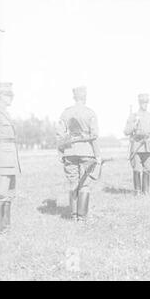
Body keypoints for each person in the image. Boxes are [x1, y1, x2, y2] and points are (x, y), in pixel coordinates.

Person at [56, 86, 101, 221]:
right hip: (86, 151)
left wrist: (61, 152)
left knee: (72, 183)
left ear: (74, 97)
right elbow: (94, 135)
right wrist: (97, 155)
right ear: (85, 97)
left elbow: (60, 135)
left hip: (69, 151)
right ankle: (82, 217)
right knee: (85, 184)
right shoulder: (90, 113)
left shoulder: (65, 113)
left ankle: (73, 215)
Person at [124, 93, 150, 196]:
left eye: (146, 102)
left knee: (147, 169)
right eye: (142, 102)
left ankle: (146, 191)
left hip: (149, 146)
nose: (144, 104)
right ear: (139, 103)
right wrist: (133, 126)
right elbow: (126, 131)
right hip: (137, 146)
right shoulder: (133, 116)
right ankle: (137, 192)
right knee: (136, 169)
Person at [0, 82, 20, 234]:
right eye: (8, 94)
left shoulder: (5, 112)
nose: (11, 97)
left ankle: (6, 227)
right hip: (2, 157)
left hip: (10, 158)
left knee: (9, 193)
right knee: (1, 193)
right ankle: (1, 228)